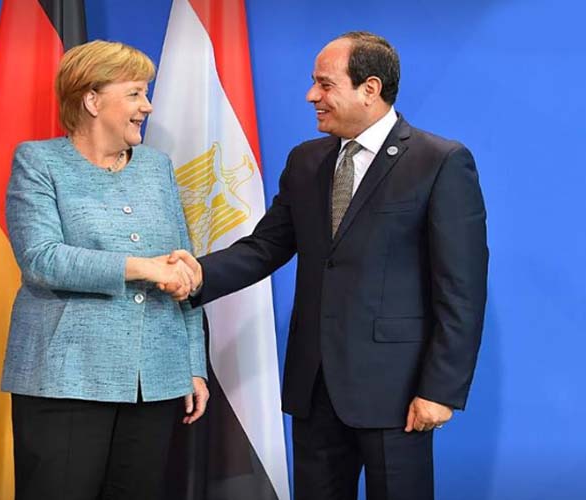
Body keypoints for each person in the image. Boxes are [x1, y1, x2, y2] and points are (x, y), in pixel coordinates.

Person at [168, 31, 488, 500]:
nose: (311, 95)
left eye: (324, 84)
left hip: (396, 393)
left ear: (370, 89)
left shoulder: (438, 162)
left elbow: (461, 289)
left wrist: (440, 390)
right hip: (314, 389)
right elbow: (265, 247)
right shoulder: (306, 161)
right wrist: (197, 274)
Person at [1, 40, 208, 500]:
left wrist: (193, 365)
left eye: (146, 93)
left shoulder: (157, 167)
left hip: (154, 381)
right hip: (65, 378)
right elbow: (41, 258)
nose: (147, 106)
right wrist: (141, 267)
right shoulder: (38, 162)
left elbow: (183, 269)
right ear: (92, 100)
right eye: (135, 93)